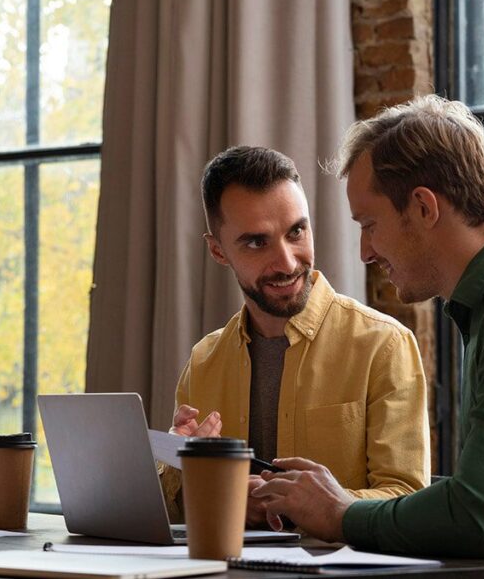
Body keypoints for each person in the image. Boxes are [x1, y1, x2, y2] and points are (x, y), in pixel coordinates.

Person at [251, 95, 484, 574]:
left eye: (369, 224)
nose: (364, 251)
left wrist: (340, 514)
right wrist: (334, 501)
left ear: (424, 208)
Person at [161, 146, 430, 527]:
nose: (287, 262)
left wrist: (292, 503)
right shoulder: (204, 361)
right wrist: (180, 464)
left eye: (296, 232)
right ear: (218, 250)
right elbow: (175, 514)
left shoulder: (384, 346)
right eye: (257, 242)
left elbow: (406, 499)